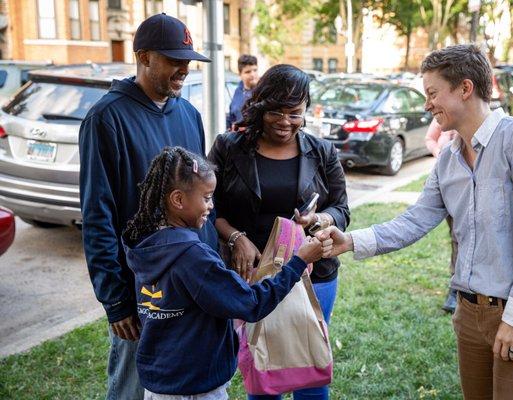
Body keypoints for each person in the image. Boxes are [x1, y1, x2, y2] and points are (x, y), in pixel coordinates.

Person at [318, 44, 513, 399]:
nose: (427, 104)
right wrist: (350, 241)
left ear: (465, 89)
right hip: (470, 316)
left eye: (433, 93)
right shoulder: (449, 159)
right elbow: (416, 219)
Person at [79, 13, 217, 400]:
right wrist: (115, 298)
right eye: (174, 59)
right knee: (131, 388)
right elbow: (97, 215)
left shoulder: (189, 114)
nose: (184, 69)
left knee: (183, 384)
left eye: (188, 60)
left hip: (190, 281)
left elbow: (204, 196)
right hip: (141, 292)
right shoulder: (106, 118)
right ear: (142, 57)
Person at [122, 147, 326, 400]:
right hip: (196, 387)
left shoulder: (147, 245)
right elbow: (252, 304)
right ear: (178, 200)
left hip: (158, 383)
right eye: (207, 197)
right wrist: (299, 261)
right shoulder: (192, 256)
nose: (211, 206)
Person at [208, 64, 350, 400]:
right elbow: (207, 206)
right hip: (250, 276)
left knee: (308, 365)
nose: (285, 122)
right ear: (260, 106)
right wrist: (234, 237)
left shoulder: (322, 152)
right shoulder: (229, 148)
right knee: (262, 367)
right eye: (276, 111)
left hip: (313, 274)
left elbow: (341, 209)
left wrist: (320, 221)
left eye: (295, 113)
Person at [424, 119, 458, 313]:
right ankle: (455, 287)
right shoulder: (443, 120)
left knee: (460, 237)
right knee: (455, 237)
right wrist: (439, 152)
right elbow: (429, 138)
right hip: (446, 181)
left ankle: (457, 288)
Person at [226, 54, 259, 129]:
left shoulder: (264, 91)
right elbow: (232, 116)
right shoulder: (238, 91)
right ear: (240, 74)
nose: (253, 74)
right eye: (248, 72)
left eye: (255, 70)